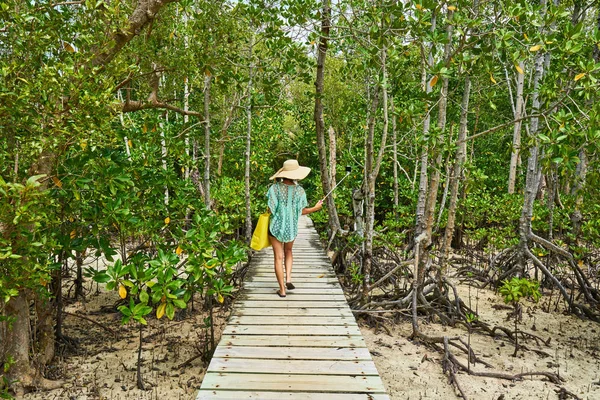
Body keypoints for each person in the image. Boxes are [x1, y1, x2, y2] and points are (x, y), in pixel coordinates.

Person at [267, 160, 323, 297]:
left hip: (275, 227)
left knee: (278, 257)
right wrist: (315, 208)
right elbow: (302, 211)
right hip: (291, 228)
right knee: (289, 251)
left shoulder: (274, 188)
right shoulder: (300, 191)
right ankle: (289, 279)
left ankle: (282, 290)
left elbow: (270, 210)